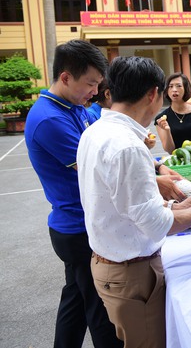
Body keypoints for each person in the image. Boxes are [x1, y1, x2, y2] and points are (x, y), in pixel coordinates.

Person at [77, 56, 191, 347]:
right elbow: (154, 225)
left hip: (112, 264)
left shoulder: (95, 132)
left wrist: (178, 207)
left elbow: (127, 204)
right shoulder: (127, 145)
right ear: (153, 94)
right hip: (130, 272)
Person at [24, 39, 122, 348]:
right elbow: (98, 168)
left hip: (75, 225)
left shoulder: (73, 107)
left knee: (76, 302)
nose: (95, 92)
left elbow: (106, 139)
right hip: (78, 227)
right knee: (101, 309)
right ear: (65, 77)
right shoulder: (50, 119)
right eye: (90, 84)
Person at [155, 72, 191, 154]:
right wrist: (167, 130)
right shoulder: (161, 119)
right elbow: (169, 150)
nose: (174, 90)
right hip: (178, 162)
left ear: (186, 88)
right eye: (170, 86)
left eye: (179, 86)